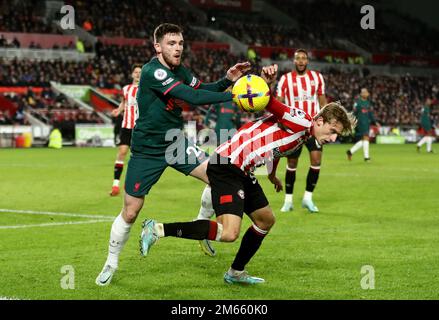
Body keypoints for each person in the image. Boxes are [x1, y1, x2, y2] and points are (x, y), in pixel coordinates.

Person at [139, 64, 357, 285]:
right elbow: (270, 103)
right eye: (332, 131)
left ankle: (235, 272)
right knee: (229, 233)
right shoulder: (302, 120)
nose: (333, 138)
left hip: (242, 169)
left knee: (265, 220)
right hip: (227, 164)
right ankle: (157, 229)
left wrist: (272, 175)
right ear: (320, 121)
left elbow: (277, 148)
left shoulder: (303, 134)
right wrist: (265, 83)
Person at [95, 23, 251, 286]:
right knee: (131, 211)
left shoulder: (179, 69)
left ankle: (201, 225)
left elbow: (202, 87)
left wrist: (227, 80)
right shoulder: (152, 71)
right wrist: (235, 95)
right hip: (147, 149)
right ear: (157, 47)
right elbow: (192, 96)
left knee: (219, 175)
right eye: (171, 43)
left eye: (180, 43)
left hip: (175, 143)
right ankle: (111, 262)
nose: (178, 48)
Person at [276, 49, 327, 213]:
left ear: (307, 61)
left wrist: (324, 121)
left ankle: (308, 198)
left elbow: (322, 100)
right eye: (298, 58)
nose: (301, 61)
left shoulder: (317, 77)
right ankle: (288, 201)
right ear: (294, 61)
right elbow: (279, 101)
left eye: (304, 58)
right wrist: (281, 121)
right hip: (294, 128)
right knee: (291, 163)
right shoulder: (285, 79)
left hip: (313, 127)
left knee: (316, 161)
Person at [109, 64, 142, 196]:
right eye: (136, 72)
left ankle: (133, 183)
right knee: (122, 152)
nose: (138, 74)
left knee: (137, 156)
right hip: (126, 126)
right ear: (132, 74)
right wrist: (118, 110)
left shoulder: (145, 89)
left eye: (140, 72)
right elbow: (124, 103)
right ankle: (115, 185)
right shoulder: (126, 89)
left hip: (140, 127)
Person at [346, 88, 378, 162]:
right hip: (360, 123)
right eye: (365, 92)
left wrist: (374, 121)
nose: (367, 93)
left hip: (366, 123)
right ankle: (366, 157)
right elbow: (354, 113)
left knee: (364, 140)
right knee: (366, 138)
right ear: (361, 94)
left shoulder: (368, 103)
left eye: (367, 92)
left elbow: (370, 114)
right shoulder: (358, 103)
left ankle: (350, 151)